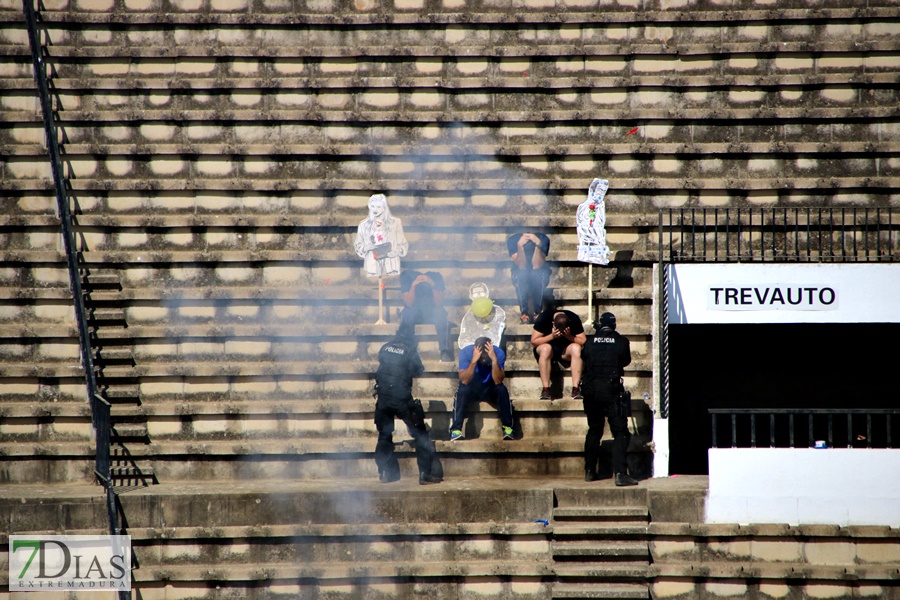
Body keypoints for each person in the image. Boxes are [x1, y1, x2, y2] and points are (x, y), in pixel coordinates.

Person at [373, 325, 442, 485]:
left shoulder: (385, 347)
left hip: (383, 399)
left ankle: (385, 473)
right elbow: (419, 370)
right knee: (421, 435)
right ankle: (424, 474)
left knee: (384, 435)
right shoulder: (409, 350)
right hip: (402, 400)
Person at [580, 312, 638, 486]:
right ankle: (620, 473)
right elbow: (625, 360)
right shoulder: (621, 341)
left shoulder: (590, 341)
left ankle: (590, 471)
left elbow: (584, 357)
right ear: (614, 325)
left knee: (594, 430)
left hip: (591, 391)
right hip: (611, 390)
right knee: (620, 432)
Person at [449, 336, 515, 442]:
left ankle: (508, 428)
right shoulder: (466, 352)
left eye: (486, 357)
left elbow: (498, 380)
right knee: (461, 390)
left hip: (490, 387)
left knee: (502, 390)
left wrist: (493, 360)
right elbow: (464, 380)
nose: (484, 359)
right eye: (482, 357)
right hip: (472, 387)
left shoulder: (498, 353)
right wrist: (474, 361)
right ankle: (456, 430)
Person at [531, 307, 586, 400]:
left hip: (565, 350)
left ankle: (576, 388)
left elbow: (583, 341)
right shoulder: (544, 318)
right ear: (553, 324)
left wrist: (569, 336)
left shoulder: (573, 318)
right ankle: (546, 389)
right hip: (547, 348)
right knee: (546, 349)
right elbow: (534, 341)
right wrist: (551, 336)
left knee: (577, 348)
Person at [399, 269, 453, 362]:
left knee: (440, 313)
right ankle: (407, 351)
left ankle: (444, 351)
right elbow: (408, 303)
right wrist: (413, 286)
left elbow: (438, 303)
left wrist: (432, 284)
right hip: (414, 311)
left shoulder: (436, 276)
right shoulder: (407, 276)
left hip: (432, 311)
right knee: (407, 313)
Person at [354, 193, 408, 277]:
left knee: (389, 285)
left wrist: (396, 252)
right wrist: (367, 247)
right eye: (373, 206)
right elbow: (358, 245)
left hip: (390, 264)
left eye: (378, 207)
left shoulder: (395, 223)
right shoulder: (363, 225)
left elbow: (403, 244)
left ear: (384, 207)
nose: (375, 209)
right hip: (373, 265)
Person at [507, 232, 551, 324]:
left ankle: (537, 312)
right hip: (520, 274)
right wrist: (520, 246)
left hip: (539, 274)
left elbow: (537, 265)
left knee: (537, 274)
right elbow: (521, 265)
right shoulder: (513, 239)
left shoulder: (543, 238)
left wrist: (538, 245)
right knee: (521, 274)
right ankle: (524, 312)